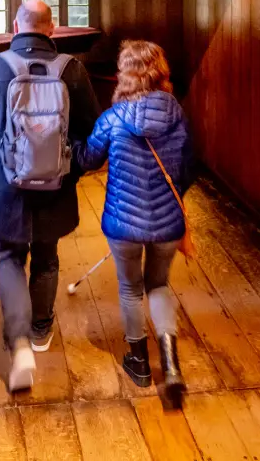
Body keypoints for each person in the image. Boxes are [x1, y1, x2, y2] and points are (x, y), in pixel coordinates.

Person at [0, 0, 101, 392]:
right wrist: (72, 169)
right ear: (52, 29)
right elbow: (94, 133)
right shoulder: (72, 70)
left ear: (14, 26)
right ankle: (41, 332)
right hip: (57, 187)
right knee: (46, 256)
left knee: (8, 259)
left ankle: (19, 343)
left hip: (8, 188)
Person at [75, 40, 191, 398]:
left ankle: (139, 363)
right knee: (158, 285)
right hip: (169, 223)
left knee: (130, 289)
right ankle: (170, 367)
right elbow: (188, 168)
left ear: (124, 74)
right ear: (161, 71)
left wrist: (71, 145)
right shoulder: (177, 114)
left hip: (123, 224)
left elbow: (88, 160)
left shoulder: (113, 119)